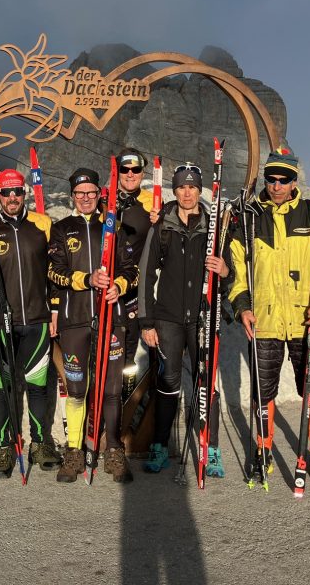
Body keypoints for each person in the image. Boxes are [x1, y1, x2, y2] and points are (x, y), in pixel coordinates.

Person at [227, 148, 310, 485]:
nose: (277, 185)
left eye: (284, 179)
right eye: (271, 178)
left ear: (295, 182)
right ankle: (263, 449)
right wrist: (242, 307)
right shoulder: (250, 218)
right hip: (264, 319)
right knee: (263, 391)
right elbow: (238, 273)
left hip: (307, 320)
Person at [48, 167, 140, 484]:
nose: (85, 199)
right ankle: (74, 451)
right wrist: (86, 280)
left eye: (90, 193)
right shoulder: (62, 229)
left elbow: (133, 273)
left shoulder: (115, 230)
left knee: (112, 390)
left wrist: (119, 285)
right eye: (79, 194)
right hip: (75, 323)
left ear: (100, 195)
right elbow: (54, 273)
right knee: (76, 391)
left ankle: (113, 451)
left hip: (111, 321)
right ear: (73, 197)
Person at [137, 163, 229, 476]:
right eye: (181, 187)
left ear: (199, 189)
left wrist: (225, 271)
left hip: (202, 316)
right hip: (168, 317)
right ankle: (160, 445)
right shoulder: (162, 223)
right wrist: (146, 322)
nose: (187, 193)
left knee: (206, 384)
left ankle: (210, 448)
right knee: (168, 383)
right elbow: (146, 273)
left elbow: (232, 272)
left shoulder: (214, 225)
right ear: (174, 190)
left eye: (192, 187)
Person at [0, 169, 62, 477]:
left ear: (24, 194)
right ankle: (5, 448)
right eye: (6, 193)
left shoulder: (41, 227)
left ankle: (39, 444)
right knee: (3, 385)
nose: (12, 198)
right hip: (2, 322)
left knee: (37, 385)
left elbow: (54, 272)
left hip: (36, 320)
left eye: (17, 192)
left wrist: (54, 312)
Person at [113, 149, 158, 378]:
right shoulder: (103, 199)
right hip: (107, 288)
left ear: (143, 173)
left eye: (136, 170)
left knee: (130, 352)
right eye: (125, 169)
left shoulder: (153, 203)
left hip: (136, 288)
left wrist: (160, 223)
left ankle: (127, 399)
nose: (130, 174)